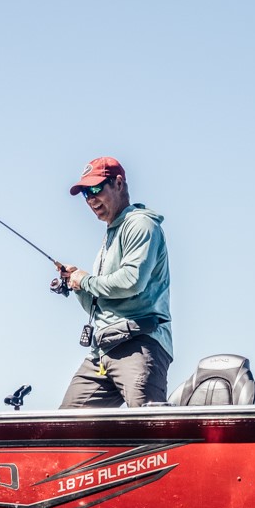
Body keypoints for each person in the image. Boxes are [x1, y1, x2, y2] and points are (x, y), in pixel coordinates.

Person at [52, 158, 172, 408]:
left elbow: (131, 282)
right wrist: (77, 285)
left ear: (118, 184)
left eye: (96, 189)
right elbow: (99, 304)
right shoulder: (110, 236)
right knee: (63, 426)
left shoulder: (140, 224)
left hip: (138, 344)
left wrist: (85, 280)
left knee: (147, 432)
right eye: (85, 193)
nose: (91, 199)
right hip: (101, 353)